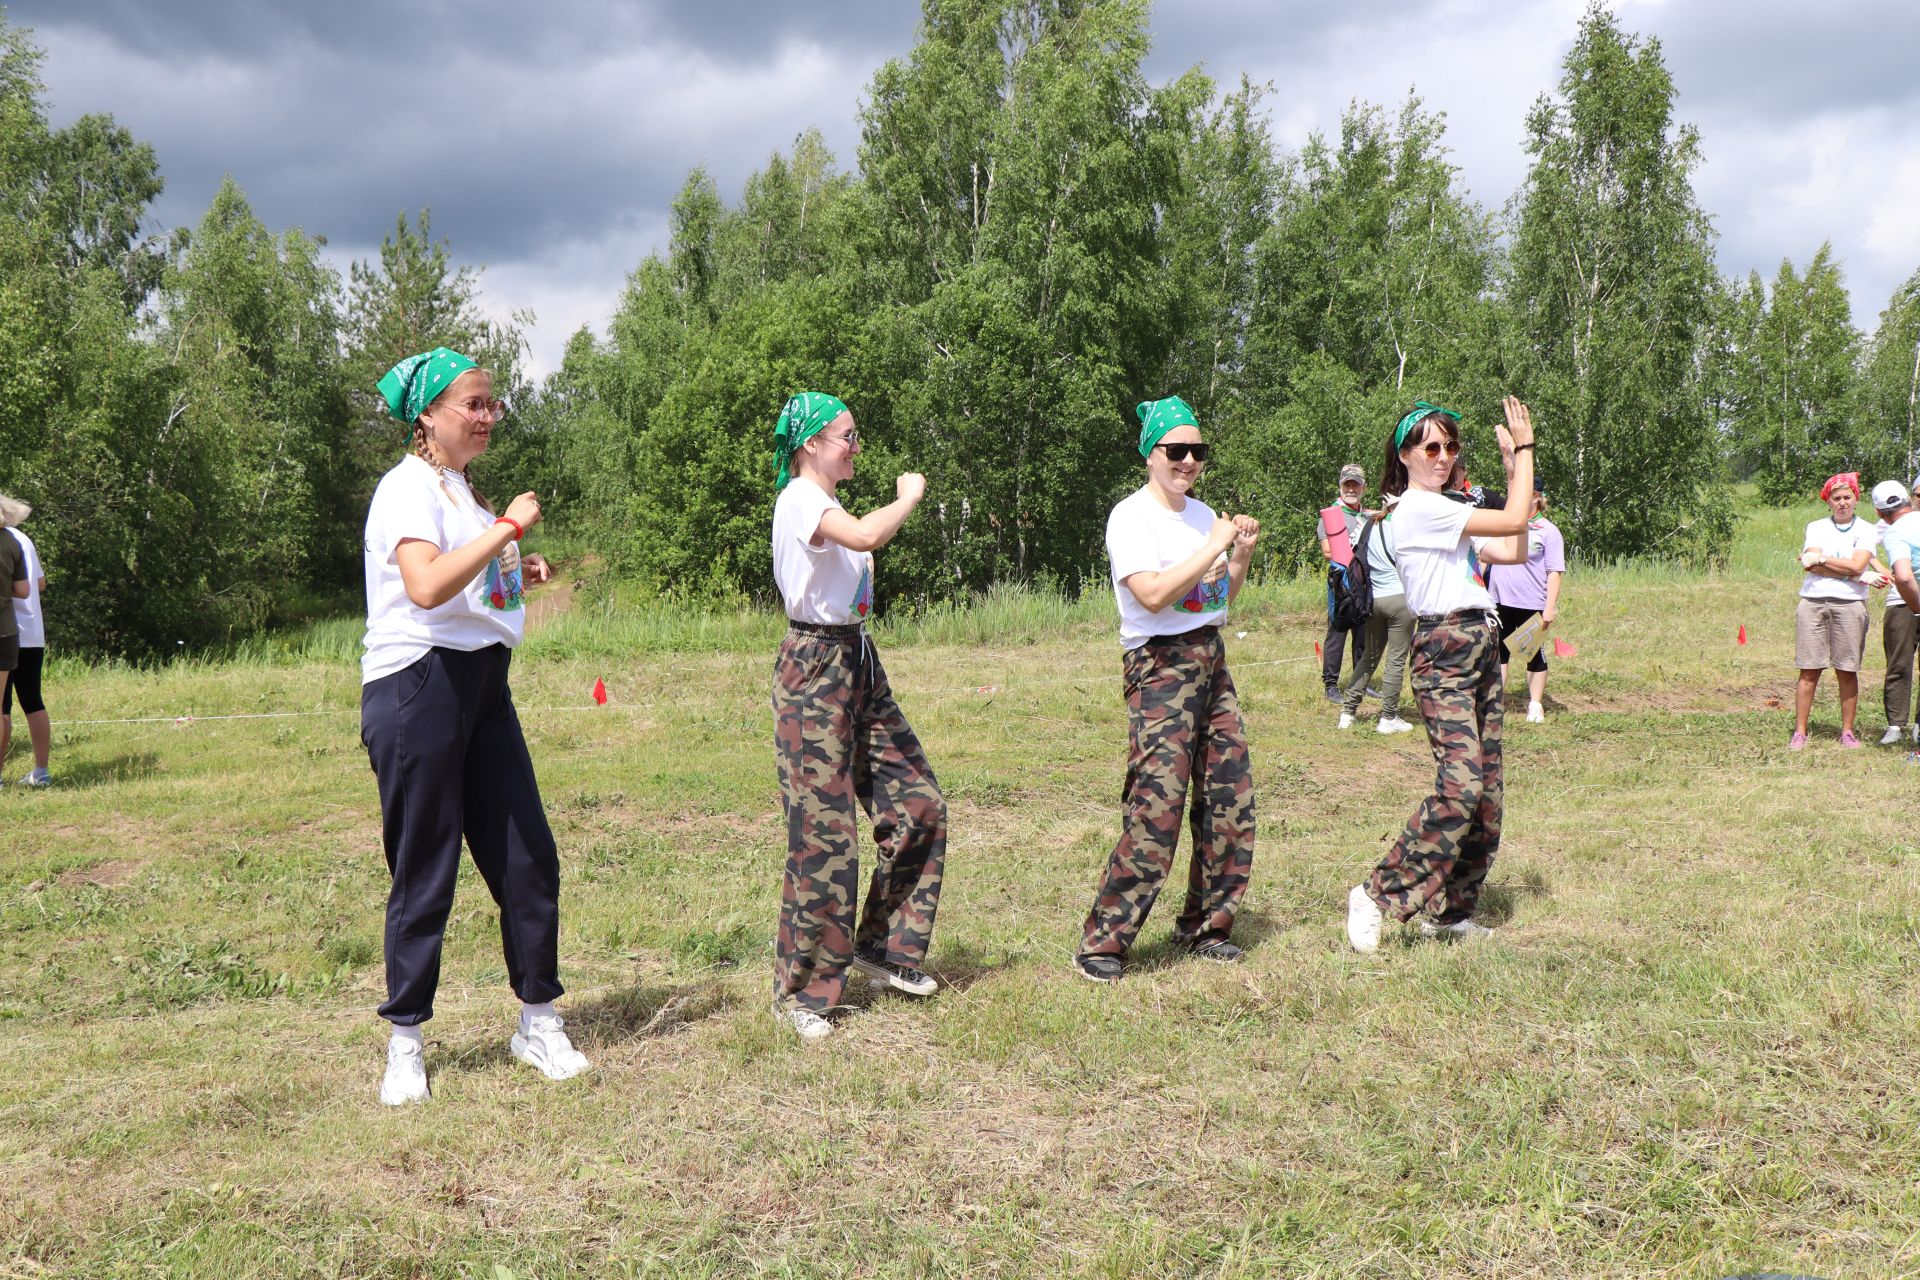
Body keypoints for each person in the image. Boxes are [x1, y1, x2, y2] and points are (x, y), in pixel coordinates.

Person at [359, 346, 587, 1105]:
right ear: (429, 415)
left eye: (493, 404)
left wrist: (519, 568)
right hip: (418, 686)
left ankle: (538, 1020)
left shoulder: (460, 492)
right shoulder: (405, 489)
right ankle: (406, 1042)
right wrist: (509, 529)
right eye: (474, 404)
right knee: (425, 866)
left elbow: (467, 583)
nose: (488, 416)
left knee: (528, 855)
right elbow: (424, 586)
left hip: (486, 686)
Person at [768, 391, 947, 1041]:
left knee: (919, 803)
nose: (856, 446)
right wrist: (909, 495)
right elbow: (870, 535)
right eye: (848, 435)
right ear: (812, 443)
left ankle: (885, 947)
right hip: (814, 667)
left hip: (858, 659)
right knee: (826, 838)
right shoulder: (801, 500)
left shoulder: (830, 501)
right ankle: (802, 995)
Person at [1075, 396, 1259, 983]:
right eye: (1175, 450)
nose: (1187, 462)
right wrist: (1212, 547)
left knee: (1229, 797)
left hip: (1210, 657)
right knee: (1157, 802)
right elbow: (1153, 595)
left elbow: (1216, 597)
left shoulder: (1205, 516)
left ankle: (1207, 926)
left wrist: (1239, 557)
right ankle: (1104, 942)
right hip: (1158, 666)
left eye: (1197, 452)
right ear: (1149, 454)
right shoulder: (1130, 517)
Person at [1346, 398, 1537, 954]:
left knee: (1488, 793)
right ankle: (1377, 893)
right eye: (1431, 447)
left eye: (1451, 447)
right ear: (1405, 455)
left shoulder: (1448, 509)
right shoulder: (1417, 507)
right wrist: (1524, 453)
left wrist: (1509, 472)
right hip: (1445, 647)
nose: (1443, 457)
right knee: (1460, 785)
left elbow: (1513, 548)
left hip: (1480, 640)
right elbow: (1516, 517)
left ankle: (1451, 914)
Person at [1791, 473, 1878, 750]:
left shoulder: (1866, 529)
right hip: (1813, 602)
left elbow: (1858, 565)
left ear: (1856, 498)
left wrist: (1824, 559)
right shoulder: (1816, 527)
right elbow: (1809, 564)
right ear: (1828, 501)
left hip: (1850, 604)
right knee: (1809, 668)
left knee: (1847, 669)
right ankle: (1800, 731)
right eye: (1836, 498)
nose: (1842, 503)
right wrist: (1847, 569)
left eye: (1847, 497)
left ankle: (1848, 732)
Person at [1487, 477, 1566, 725]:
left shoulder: (1549, 531)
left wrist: (1549, 608)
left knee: (1534, 655)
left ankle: (1535, 704)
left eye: (1523, 493)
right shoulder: (1504, 525)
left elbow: (1554, 571)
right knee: (1498, 654)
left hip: (1531, 603)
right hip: (1498, 601)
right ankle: (1495, 703)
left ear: (1536, 497)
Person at [1336, 495, 1415, 734]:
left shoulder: (1370, 524)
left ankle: (1347, 713)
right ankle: (1388, 717)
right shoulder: (1405, 527)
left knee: (1369, 657)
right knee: (1396, 659)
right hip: (1400, 598)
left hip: (1373, 599)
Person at [0, 497, 48, 786]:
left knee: (2, 707)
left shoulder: (4, 541)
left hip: (7, 630)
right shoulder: (24, 540)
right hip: (32, 632)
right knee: (33, 701)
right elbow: (39, 583)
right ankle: (41, 770)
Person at [1872, 480, 1920, 745]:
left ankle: (1898, 726)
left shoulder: (1894, 532)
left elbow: (1903, 576)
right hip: (1903, 601)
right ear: (1909, 499)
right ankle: (1909, 726)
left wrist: (1917, 606)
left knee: (1898, 664)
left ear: (1879, 512)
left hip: (1904, 602)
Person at [1318, 464, 1368, 700]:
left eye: (1355, 484)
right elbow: (1327, 551)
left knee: (1362, 632)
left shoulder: (1367, 516)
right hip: (1341, 582)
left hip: (1363, 582)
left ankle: (1361, 683)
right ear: (1340, 486)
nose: (1351, 488)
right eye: (1347, 484)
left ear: (1363, 488)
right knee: (1338, 632)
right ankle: (1330, 685)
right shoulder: (1332, 514)